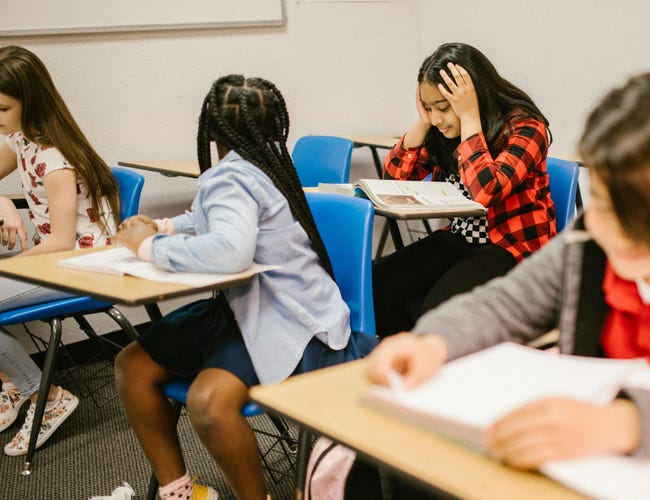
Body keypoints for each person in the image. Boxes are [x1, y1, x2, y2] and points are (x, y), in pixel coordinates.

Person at [369, 73, 650, 498]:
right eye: (610, 204)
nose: (619, 233)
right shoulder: (594, 239)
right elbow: (506, 303)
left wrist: (622, 423)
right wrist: (434, 342)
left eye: (648, 214)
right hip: (597, 465)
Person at [113, 75, 376, 500]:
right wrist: (163, 226)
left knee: (207, 401)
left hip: (288, 317)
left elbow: (231, 251)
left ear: (212, 131)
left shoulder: (232, 175)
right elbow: (209, 218)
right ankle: (181, 491)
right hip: (246, 306)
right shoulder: (259, 164)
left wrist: (150, 247)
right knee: (135, 365)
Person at [373, 42, 556, 336]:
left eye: (443, 108)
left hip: (510, 246)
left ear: (472, 97)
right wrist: (422, 123)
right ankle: (418, 350)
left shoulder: (525, 128)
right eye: (428, 108)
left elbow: (487, 192)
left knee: (439, 312)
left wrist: (470, 119)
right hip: (461, 237)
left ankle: (437, 349)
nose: (436, 119)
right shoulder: (441, 128)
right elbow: (392, 180)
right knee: (376, 287)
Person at [0, 45, 119, 456]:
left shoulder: (56, 160)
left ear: (28, 103)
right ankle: (14, 384)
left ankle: (44, 396)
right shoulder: (20, 140)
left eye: (1, 107)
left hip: (83, 266)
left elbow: (61, 242)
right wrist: (3, 203)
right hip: (56, 261)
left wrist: (10, 266)